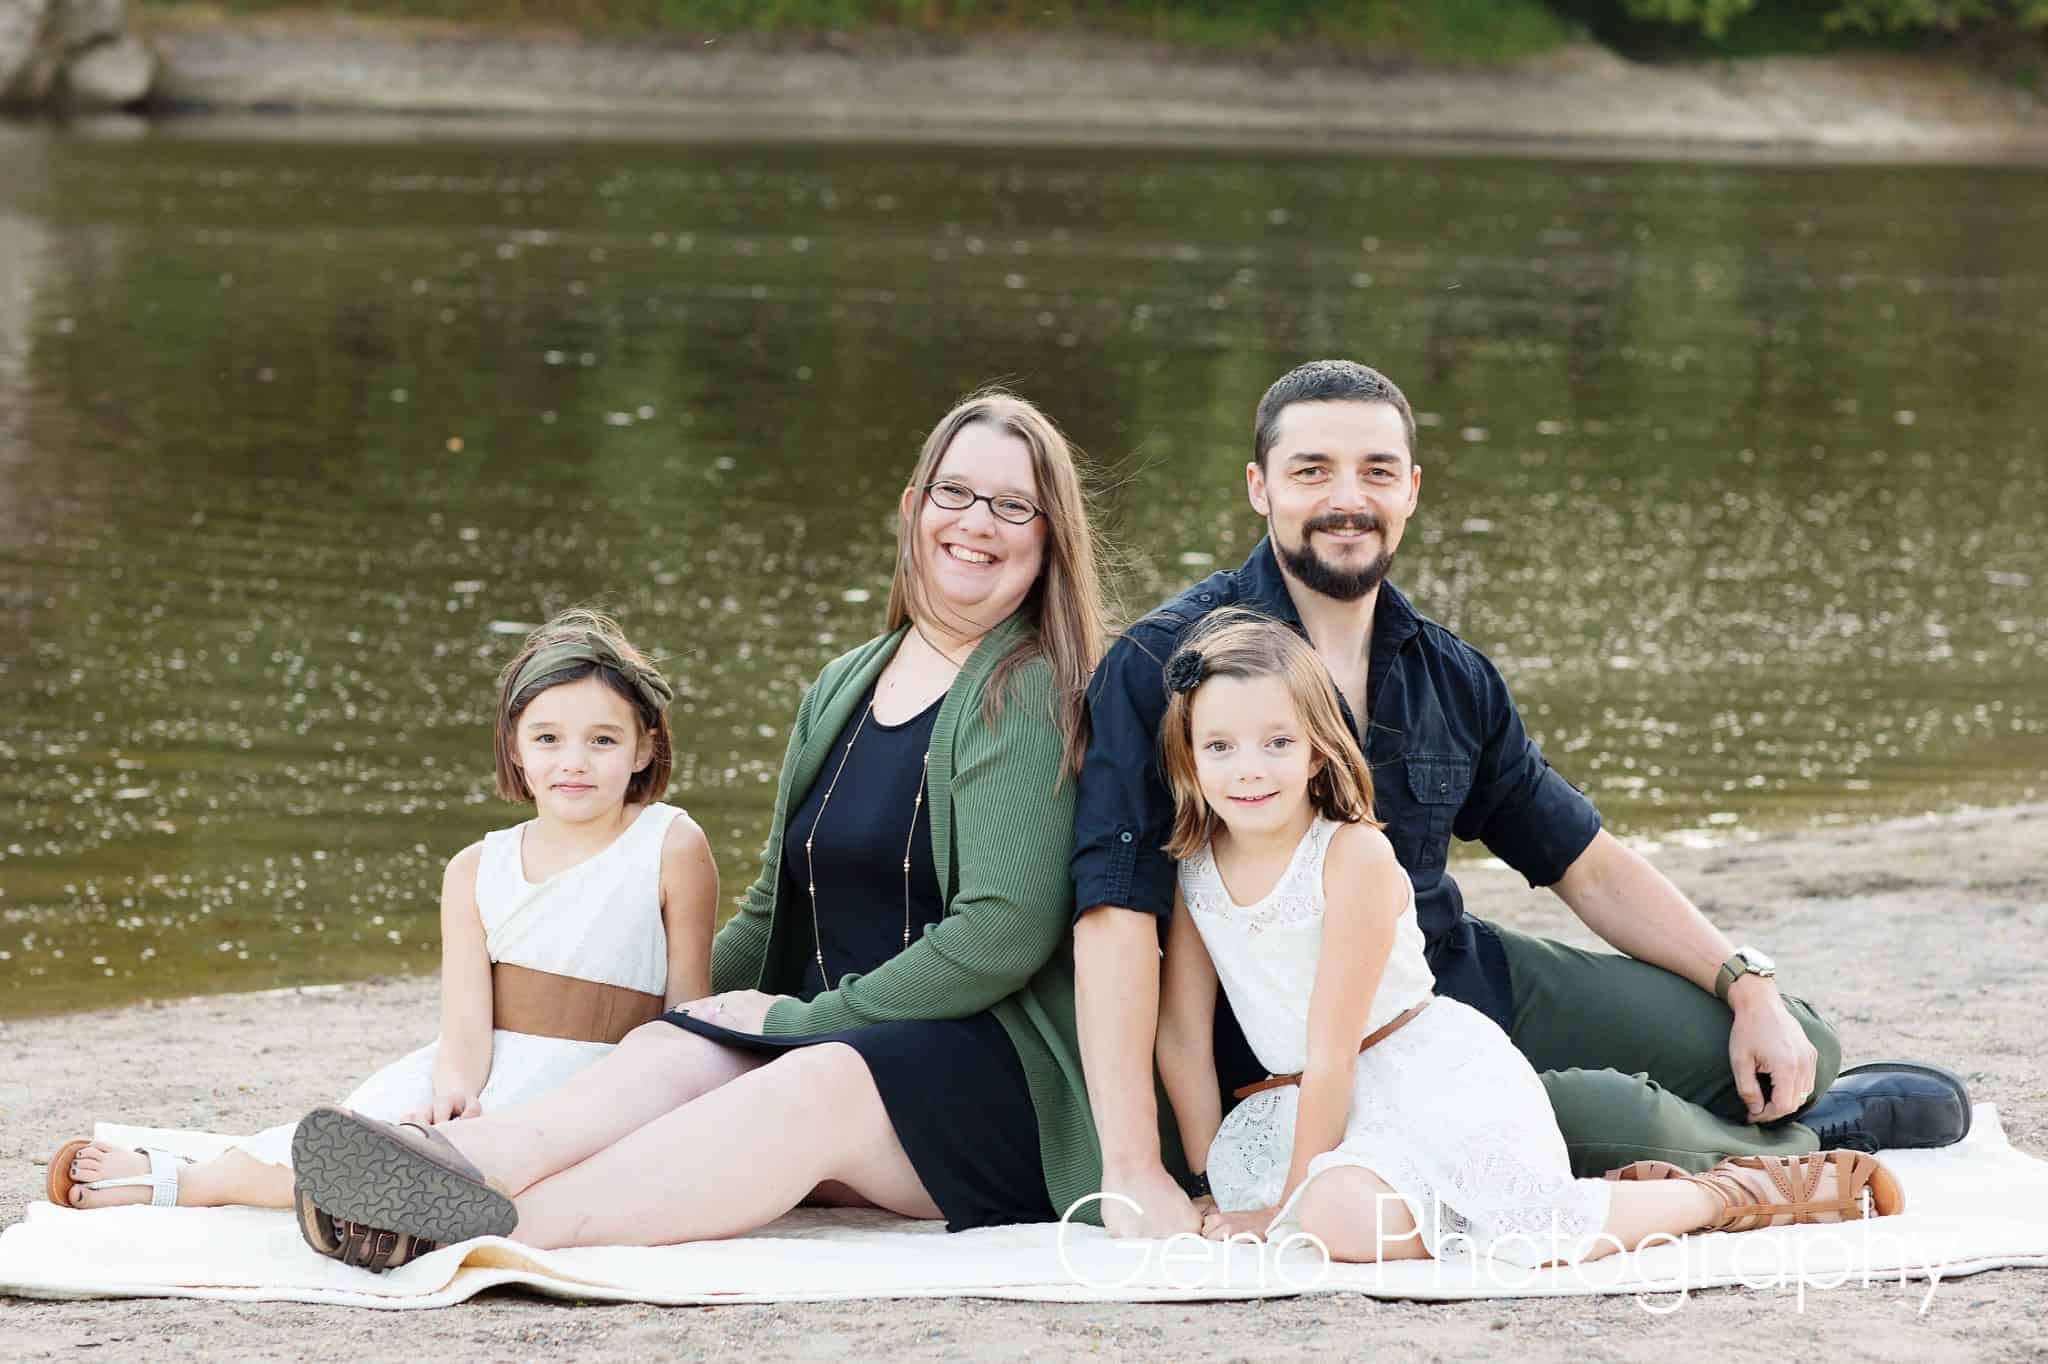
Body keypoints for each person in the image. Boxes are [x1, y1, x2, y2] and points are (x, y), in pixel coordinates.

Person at [1071, 359, 1971, 1239]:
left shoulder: (1447, 672)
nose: (1348, 497)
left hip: (1449, 985)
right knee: (1624, 1122)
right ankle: (1794, 1151)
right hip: (1310, 1060)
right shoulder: (1170, 667)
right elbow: (1116, 911)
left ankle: (1796, 1104)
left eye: (1376, 471)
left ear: (1411, 490)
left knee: (1797, 1040)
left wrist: (1745, 985)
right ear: (1260, 487)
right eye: (1312, 470)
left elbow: (1579, 858)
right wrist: (1138, 1169)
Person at [287, 390, 1112, 1272]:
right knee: (678, 1040)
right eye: (954, 493)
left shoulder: (1023, 690)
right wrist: (660, 1014)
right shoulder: (848, 682)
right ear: (913, 508)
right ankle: (452, 1167)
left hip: (990, 1088)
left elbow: (1001, 934)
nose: (976, 523)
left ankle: (493, 1231)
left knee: (814, 1075)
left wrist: (807, 1018)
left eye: (1012, 505)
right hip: (848, 1039)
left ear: (1048, 535)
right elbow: (771, 907)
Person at [1155, 612, 1901, 1265]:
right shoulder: (1195, 869)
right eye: (1219, 747)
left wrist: (1276, 1212)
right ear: (1188, 755)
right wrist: (1207, 1181)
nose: (1248, 770)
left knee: (1402, 1224)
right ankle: (1452, 1209)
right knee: (1331, 1218)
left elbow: (1331, 1047)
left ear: (1318, 750)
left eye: (1276, 742)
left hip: (1421, 1084)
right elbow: (1183, 1035)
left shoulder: (1351, 856)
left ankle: (1721, 1195)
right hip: (1304, 1110)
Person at [46, 609, 716, 1213]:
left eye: (602, 740)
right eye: (548, 739)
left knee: (507, 1179)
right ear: (514, 746)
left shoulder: (670, 846)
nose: (574, 762)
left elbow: (688, 1016)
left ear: (644, 747)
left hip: (607, 1089)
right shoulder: (476, 869)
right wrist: (454, 1091)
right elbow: (465, 1024)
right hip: (485, 1070)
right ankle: (191, 1180)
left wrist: (668, 1116)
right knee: (346, 1149)